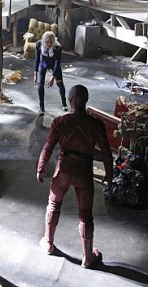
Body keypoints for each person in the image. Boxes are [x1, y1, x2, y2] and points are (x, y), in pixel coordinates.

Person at [36, 85, 113, 268]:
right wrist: (109, 174)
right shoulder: (96, 124)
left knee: (53, 205)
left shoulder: (60, 122)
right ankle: (87, 257)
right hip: (84, 173)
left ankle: (48, 243)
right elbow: (106, 151)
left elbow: (48, 147)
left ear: (69, 100)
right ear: (86, 100)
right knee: (85, 214)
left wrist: (41, 167)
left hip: (63, 171)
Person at [34, 31, 68, 114]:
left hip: (54, 63)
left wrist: (53, 77)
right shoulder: (39, 44)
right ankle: (41, 107)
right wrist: (35, 74)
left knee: (60, 83)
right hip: (43, 63)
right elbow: (37, 59)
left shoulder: (58, 47)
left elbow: (57, 62)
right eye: (47, 42)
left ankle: (64, 104)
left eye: (51, 42)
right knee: (40, 84)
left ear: (54, 41)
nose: (49, 44)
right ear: (44, 41)